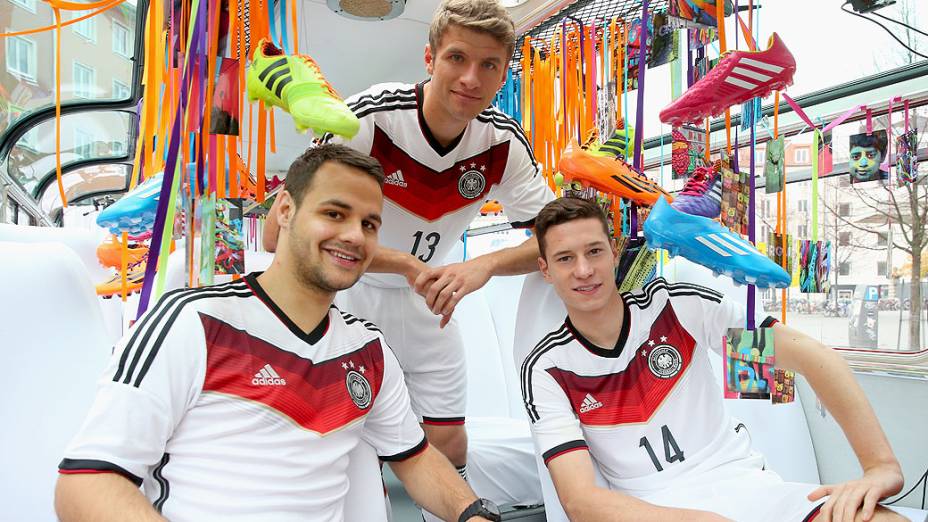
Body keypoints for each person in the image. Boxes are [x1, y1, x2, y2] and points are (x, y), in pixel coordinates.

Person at [55, 145, 501, 522]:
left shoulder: (368, 350)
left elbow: (415, 457)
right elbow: (87, 483)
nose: (354, 236)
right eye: (334, 213)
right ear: (285, 210)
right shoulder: (194, 323)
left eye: (369, 224)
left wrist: (474, 513)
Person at [263, 0, 554, 492]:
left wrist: (482, 266)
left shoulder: (502, 142)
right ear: (429, 58)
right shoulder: (370, 117)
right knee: (350, 444)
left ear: (504, 74)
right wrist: (401, 262)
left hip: (429, 301)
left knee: (449, 442)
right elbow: (280, 231)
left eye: (489, 65)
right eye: (456, 58)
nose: (470, 78)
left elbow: (556, 237)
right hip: (346, 299)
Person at [521, 196, 905, 522]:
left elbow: (814, 358)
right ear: (546, 270)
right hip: (649, 509)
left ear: (614, 251)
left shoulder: (678, 306)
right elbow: (580, 501)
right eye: (565, 259)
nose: (584, 270)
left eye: (593, 251)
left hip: (747, 487)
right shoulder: (546, 369)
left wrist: (879, 467)